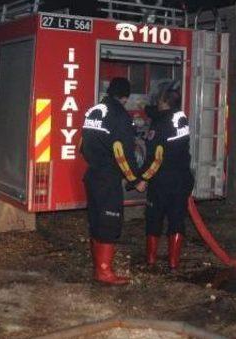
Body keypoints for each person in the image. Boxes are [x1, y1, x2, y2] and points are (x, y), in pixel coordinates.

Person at [80, 77, 146, 285]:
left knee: (96, 220)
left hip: (92, 174)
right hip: (108, 178)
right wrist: (135, 180)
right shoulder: (120, 116)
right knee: (109, 222)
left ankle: (97, 267)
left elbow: (81, 143)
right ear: (125, 98)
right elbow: (122, 153)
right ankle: (104, 272)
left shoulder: (93, 110)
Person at [139, 88, 194, 270]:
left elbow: (153, 156)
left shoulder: (159, 124)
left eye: (159, 100)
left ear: (164, 102)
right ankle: (173, 262)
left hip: (161, 179)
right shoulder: (181, 118)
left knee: (154, 218)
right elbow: (158, 113)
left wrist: (143, 178)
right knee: (177, 219)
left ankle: (151, 259)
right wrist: (146, 109)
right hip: (182, 178)